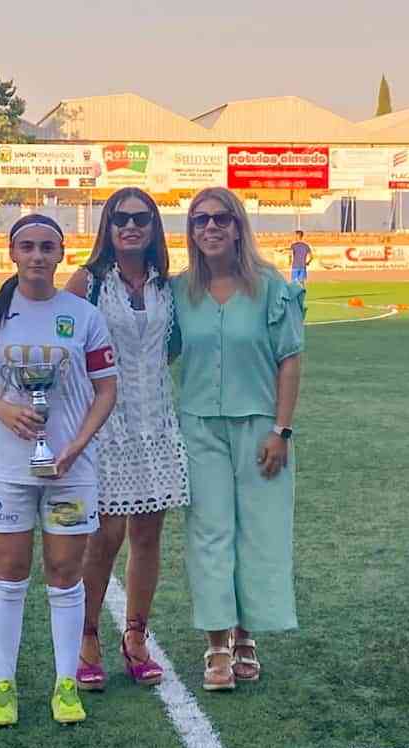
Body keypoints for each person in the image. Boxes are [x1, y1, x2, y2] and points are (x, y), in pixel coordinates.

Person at [0, 214, 118, 726]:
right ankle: (3, 685)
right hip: (6, 468)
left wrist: (75, 447)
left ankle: (64, 683)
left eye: (45, 247)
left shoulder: (83, 314)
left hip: (69, 469)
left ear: (60, 254)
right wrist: (4, 411)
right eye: (26, 246)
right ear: (11, 253)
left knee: (63, 575)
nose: (35, 255)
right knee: (8, 573)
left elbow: (106, 389)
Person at [171, 187, 305, 691]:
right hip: (198, 426)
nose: (210, 228)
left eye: (221, 219)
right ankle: (216, 645)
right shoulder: (178, 291)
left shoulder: (271, 288)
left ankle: (248, 635)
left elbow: (289, 358)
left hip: (259, 428)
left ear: (237, 226)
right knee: (209, 534)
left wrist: (281, 429)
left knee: (259, 531)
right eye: (200, 220)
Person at [65, 188, 189, 692]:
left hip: (157, 424)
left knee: (148, 537)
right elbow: (63, 342)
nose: (130, 226)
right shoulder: (89, 282)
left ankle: (136, 636)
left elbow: (173, 347)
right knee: (104, 537)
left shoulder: (169, 287)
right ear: (108, 227)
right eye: (120, 219)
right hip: (107, 428)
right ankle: (87, 635)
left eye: (141, 218)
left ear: (154, 226)